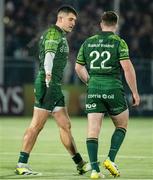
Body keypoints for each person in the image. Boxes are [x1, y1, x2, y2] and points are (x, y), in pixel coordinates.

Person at [15, 5, 91, 176]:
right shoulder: (53, 33)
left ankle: (80, 164)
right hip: (47, 84)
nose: (73, 23)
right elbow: (49, 55)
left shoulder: (59, 35)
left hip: (54, 87)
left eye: (75, 21)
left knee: (65, 125)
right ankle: (22, 163)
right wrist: (48, 75)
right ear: (60, 18)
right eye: (71, 19)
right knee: (36, 126)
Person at [75, 11, 140, 179]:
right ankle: (110, 159)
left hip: (94, 88)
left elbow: (78, 67)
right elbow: (127, 68)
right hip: (113, 88)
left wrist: (89, 81)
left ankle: (95, 170)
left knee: (92, 130)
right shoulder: (119, 42)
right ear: (116, 25)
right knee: (121, 125)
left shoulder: (88, 42)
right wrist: (134, 92)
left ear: (101, 24)